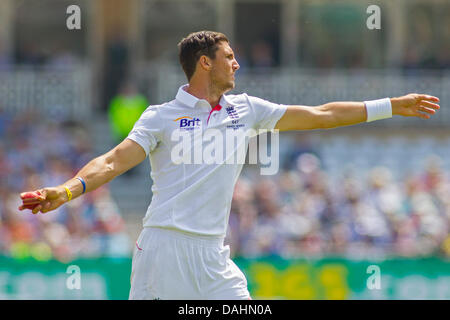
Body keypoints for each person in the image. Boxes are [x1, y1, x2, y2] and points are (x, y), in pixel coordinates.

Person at [18, 31, 440, 300]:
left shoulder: (247, 109)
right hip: (165, 248)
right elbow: (112, 161)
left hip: (213, 256)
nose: (237, 64)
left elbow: (322, 114)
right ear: (206, 62)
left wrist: (390, 106)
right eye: (229, 57)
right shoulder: (160, 116)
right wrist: (68, 189)